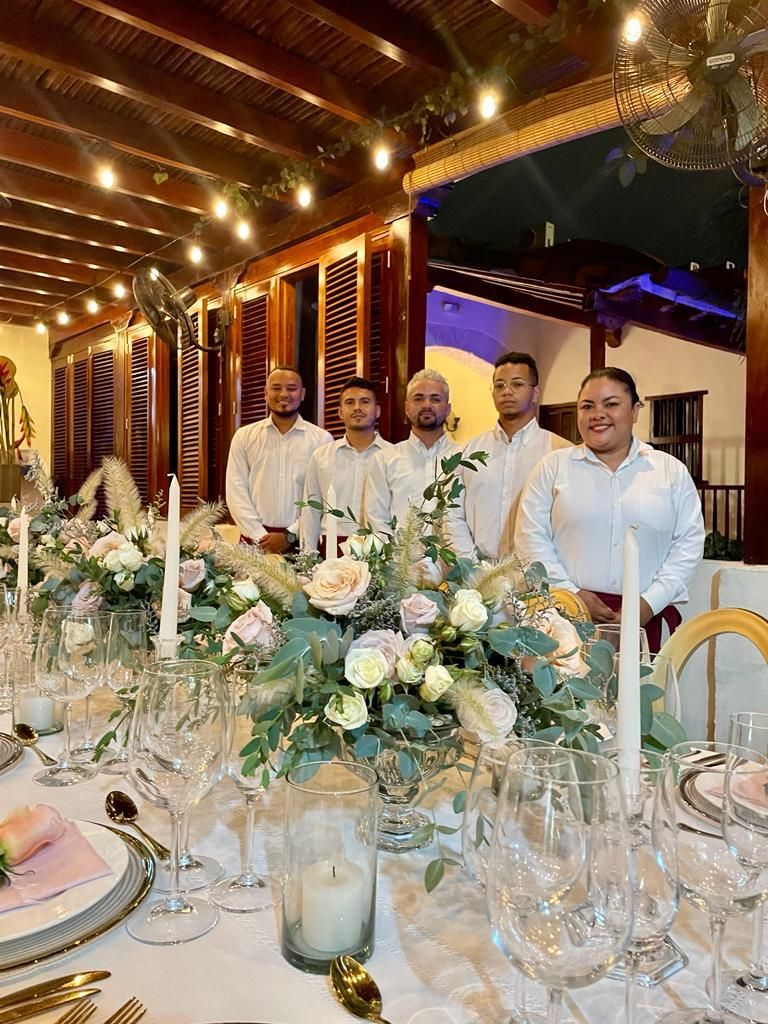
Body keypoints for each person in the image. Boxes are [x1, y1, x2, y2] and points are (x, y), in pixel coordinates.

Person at [515, 367, 705, 651]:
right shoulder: (552, 468)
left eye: (611, 404)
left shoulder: (669, 471)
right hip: (563, 616)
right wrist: (571, 595)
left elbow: (688, 544)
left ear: (635, 410)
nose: (597, 414)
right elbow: (529, 538)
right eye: (587, 406)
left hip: (646, 617)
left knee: (641, 681)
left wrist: (649, 602)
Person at [446, 351, 571, 560]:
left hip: (538, 571)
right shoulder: (467, 452)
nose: (507, 391)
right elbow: (452, 515)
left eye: (517, 384)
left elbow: (568, 523)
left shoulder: (559, 452)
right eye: (499, 385)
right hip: (476, 571)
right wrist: (471, 566)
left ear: (535, 393)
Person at [225, 365, 333, 553]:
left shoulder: (322, 440)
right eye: (276, 388)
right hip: (254, 543)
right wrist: (260, 537)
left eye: (291, 388)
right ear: (266, 393)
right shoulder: (244, 436)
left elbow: (325, 496)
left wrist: (290, 535)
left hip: (303, 541)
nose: (283, 394)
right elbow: (236, 491)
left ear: (302, 394)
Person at [299, 376, 393, 555]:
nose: (357, 407)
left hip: (378, 551)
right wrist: (308, 557)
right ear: (340, 412)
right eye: (350, 402)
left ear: (377, 411)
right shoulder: (321, 457)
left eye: (365, 402)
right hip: (332, 549)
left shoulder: (393, 457)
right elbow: (310, 510)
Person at [364, 369, 460, 536]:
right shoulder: (384, 460)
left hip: (453, 553)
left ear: (447, 408)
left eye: (435, 399)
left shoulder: (464, 458)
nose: (426, 405)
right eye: (418, 398)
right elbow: (376, 521)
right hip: (399, 553)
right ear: (407, 408)